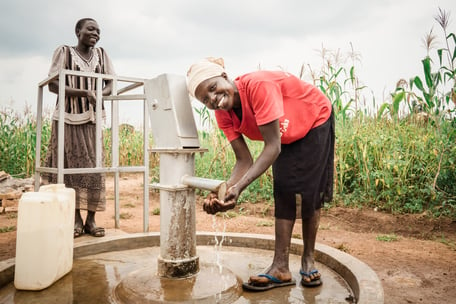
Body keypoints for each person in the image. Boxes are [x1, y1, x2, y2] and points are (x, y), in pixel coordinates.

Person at [186, 58, 334, 290]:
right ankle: (281, 268)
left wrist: (238, 188)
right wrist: (222, 191)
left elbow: (272, 147)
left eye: (213, 88)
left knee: (309, 192)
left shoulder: (257, 87)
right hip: (285, 133)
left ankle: (307, 259)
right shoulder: (223, 114)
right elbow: (244, 160)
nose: (213, 99)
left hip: (313, 116)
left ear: (224, 77)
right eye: (205, 100)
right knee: (283, 188)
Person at [42, 18, 115, 238]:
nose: (96, 33)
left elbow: (111, 83)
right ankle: (75, 219)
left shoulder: (101, 54)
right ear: (78, 31)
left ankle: (91, 221)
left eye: (99, 31)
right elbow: (53, 84)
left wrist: (99, 94)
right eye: (91, 29)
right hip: (67, 118)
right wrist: (84, 93)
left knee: (95, 168)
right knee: (69, 168)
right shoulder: (64, 52)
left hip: (92, 120)